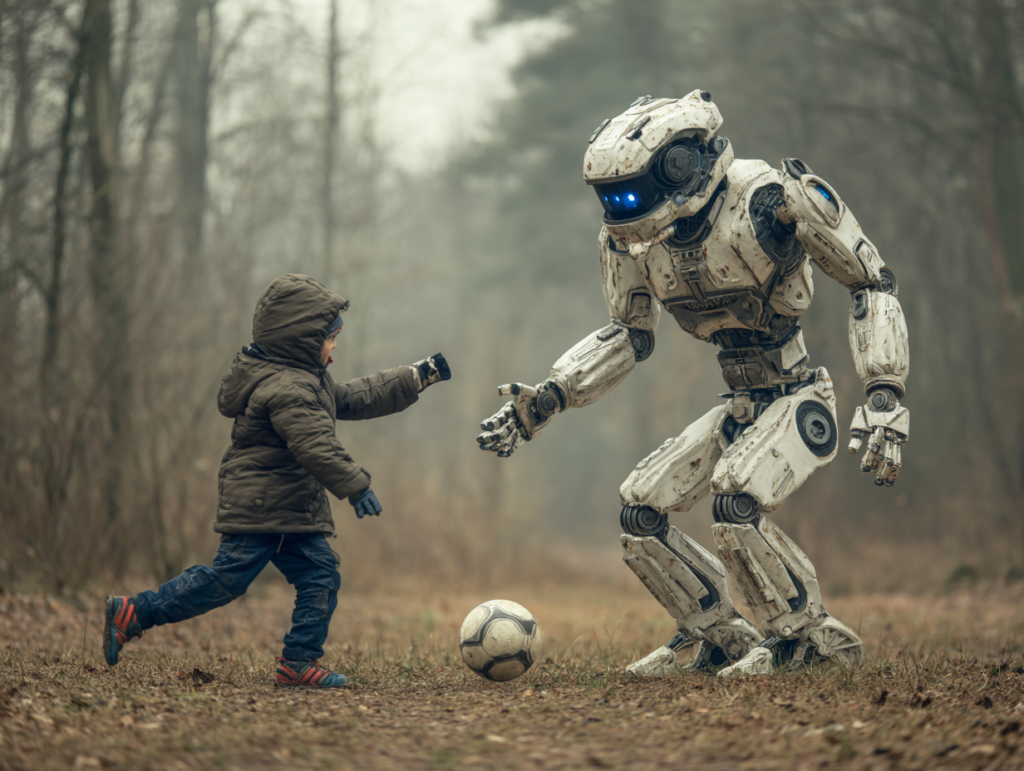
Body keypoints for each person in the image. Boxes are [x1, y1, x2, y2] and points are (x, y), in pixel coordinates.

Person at [477, 90, 909, 676]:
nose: (621, 206)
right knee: (640, 511)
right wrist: (550, 396)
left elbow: (870, 280)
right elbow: (629, 334)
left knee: (734, 499)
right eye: (611, 195)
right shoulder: (633, 240)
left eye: (631, 190)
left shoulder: (769, 199)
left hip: (798, 394)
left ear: (679, 163)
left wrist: (884, 391)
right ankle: (717, 636)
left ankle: (809, 639)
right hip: (739, 405)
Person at [104, 274, 451, 687]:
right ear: (301, 340)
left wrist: (414, 377)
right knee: (226, 580)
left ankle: (298, 662)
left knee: (320, 574)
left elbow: (352, 398)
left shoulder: (305, 378)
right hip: (262, 506)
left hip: (287, 508)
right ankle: (135, 612)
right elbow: (314, 445)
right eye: (330, 339)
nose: (334, 347)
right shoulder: (288, 388)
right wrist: (356, 485)